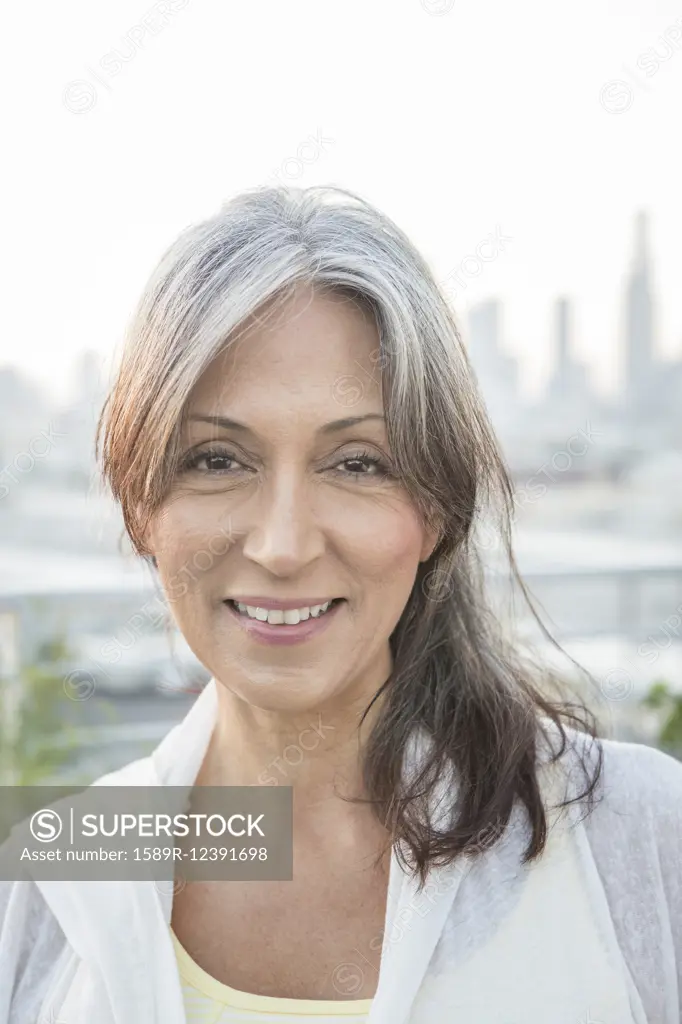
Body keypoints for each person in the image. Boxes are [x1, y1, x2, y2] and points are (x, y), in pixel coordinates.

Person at [1, 185, 681, 1024]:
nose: (283, 546)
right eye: (217, 459)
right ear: (142, 505)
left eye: (356, 463)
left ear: (436, 508)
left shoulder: (638, 837)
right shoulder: (66, 878)